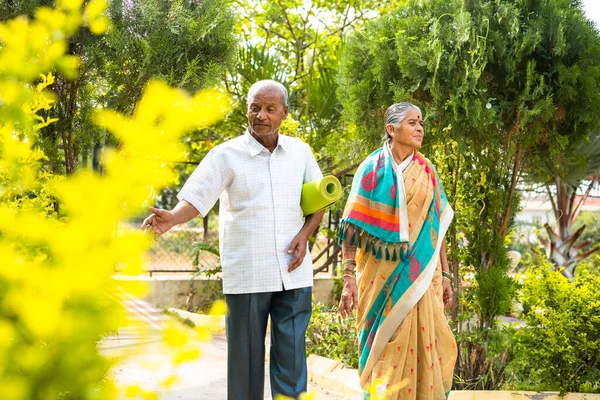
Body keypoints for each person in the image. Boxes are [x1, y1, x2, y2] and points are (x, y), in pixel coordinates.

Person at [141, 80, 324, 400]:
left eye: (270, 108)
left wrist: (305, 235)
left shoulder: (301, 153)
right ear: (247, 110)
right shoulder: (225, 155)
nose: (262, 115)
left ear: (284, 112)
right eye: (255, 107)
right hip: (249, 273)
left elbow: (318, 203)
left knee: (292, 357)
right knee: (246, 362)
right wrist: (171, 217)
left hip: (294, 271)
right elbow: (197, 199)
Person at [337, 102, 456, 399]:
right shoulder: (371, 169)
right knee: (384, 349)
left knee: (428, 341)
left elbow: (437, 229)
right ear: (391, 129)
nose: (420, 128)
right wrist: (348, 276)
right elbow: (352, 227)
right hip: (378, 280)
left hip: (423, 277)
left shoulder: (428, 172)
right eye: (412, 123)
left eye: (421, 123)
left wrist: (446, 275)